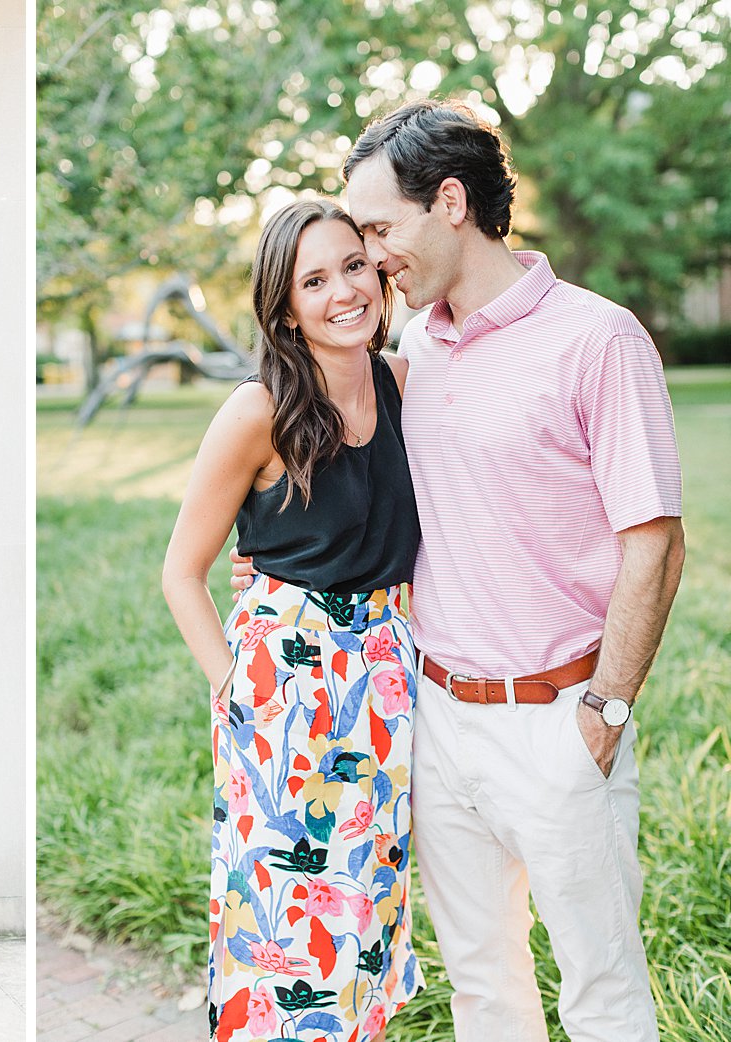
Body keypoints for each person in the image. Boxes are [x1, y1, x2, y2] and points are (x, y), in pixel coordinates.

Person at [233, 100, 683, 1042]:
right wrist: (270, 571)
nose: (374, 258)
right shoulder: (411, 352)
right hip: (432, 723)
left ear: (450, 202)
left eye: (381, 232)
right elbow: (346, 486)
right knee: (483, 989)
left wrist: (601, 716)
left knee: (602, 991)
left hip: (560, 720)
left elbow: (656, 542)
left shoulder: (598, 338)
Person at [164, 198, 424, 1042]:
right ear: (285, 308)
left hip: (383, 681)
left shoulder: (403, 382)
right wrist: (237, 686)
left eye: (355, 265)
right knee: (285, 921)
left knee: (366, 906)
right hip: (284, 695)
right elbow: (181, 571)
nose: (344, 291)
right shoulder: (258, 410)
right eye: (315, 280)